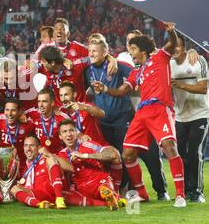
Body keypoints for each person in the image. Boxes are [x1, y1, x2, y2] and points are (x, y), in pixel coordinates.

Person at [93, 22, 187, 207]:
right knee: (127, 154)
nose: (131, 52)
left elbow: (172, 43)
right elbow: (121, 91)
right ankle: (141, 193)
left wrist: (171, 31)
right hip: (142, 113)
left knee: (169, 147)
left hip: (160, 109)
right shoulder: (136, 72)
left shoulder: (160, 57)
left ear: (142, 49)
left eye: (133, 48)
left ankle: (180, 195)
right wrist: (105, 88)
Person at [86, 37, 169, 200]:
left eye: (95, 51)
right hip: (102, 122)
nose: (91, 54)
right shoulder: (86, 69)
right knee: (112, 159)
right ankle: (119, 191)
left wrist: (112, 60)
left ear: (105, 52)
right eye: (90, 51)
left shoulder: (121, 66)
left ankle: (158, 191)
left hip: (126, 118)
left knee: (143, 155)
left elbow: (136, 72)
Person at [171, 34, 209, 203]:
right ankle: (186, 190)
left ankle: (197, 191)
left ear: (184, 47)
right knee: (181, 153)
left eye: (177, 46)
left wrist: (181, 85)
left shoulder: (197, 60)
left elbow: (203, 88)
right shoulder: (168, 64)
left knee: (194, 151)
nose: (174, 50)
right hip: (180, 115)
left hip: (200, 113)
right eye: (172, 47)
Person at [56, 120, 126, 210]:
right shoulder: (61, 154)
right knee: (65, 196)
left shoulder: (88, 145)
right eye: (64, 132)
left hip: (99, 181)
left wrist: (85, 155)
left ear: (76, 133)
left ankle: (110, 194)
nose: (69, 134)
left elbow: (112, 154)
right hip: (80, 188)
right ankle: (112, 199)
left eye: (71, 130)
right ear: (60, 137)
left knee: (103, 187)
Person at [10, 136, 71, 209]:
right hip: (39, 195)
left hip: (52, 193)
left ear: (39, 148)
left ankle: (59, 199)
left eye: (31, 145)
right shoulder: (24, 166)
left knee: (51, 159)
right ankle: (40, 204)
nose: (28, 148)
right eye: (26, 145)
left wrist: (49, 154)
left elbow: (70, 168)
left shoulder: (47, 157)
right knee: (13, 189)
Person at [0, 98, 34, 171]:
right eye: (7, 110)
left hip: (19, 164)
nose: (9, 114)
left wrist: (24, 115)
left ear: (19, 111)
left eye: (13, 110)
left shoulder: (27, 125)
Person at [58, 81, 108, 146]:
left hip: (97, 146)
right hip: (78, 150)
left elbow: (102, 114)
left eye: (66, 95)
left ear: (74, 94)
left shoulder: (84, 105)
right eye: (61, 95)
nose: (63, 99)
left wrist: (85, 108)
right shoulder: (61, 113)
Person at [25, 89, 70, 154]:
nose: (41, 105)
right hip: (39, 158)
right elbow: (15, 113)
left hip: (58, 157)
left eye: (44, 101)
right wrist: (21, 116)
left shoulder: (62, 118)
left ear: (52, 103)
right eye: (39, 101)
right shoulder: (32, 114)